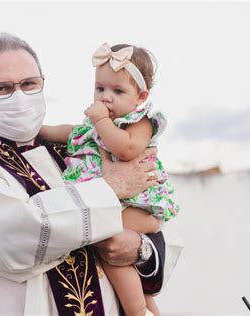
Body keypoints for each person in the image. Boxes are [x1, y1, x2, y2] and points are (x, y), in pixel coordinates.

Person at [0, 32, 182, 315]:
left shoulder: (74, 151)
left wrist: (140, 249)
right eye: (2, 89)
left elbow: (157, 223)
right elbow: (17, 235)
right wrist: (108, 188)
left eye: (29, 84)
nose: (19, 96)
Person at [39, 42, 180, 316]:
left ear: (140, 96)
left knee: (112, 248)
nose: (106, 97)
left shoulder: (139, 122)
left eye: (117, 91)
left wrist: (101, 123)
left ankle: (137, 311)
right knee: (113, 252)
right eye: (100, 88)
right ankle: (148, 308)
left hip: (138, 208)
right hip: (120, 205)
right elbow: (68, 132)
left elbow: (126, 148)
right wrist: (39, 131)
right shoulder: (96, 125)